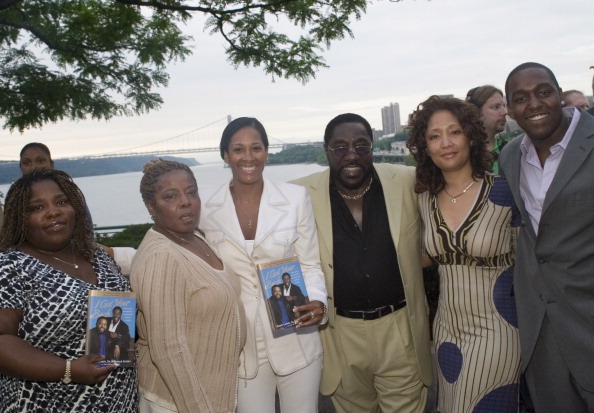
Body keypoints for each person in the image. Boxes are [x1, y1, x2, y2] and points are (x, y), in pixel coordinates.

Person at [292, 113, 432, 413]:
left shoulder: (407, 182)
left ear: (372, 147)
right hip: (339, 333)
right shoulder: (298, 194)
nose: (351, 155)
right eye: (340, 147)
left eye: (361, 146)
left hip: (400, 329)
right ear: (327, 149)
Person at [199, 117, 327, 413]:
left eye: (256, 148)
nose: (248, 157)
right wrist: (121, 256)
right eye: (238, 149)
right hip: (240, 343)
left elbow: (310, 265)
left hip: (294, 334)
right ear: (225, 156)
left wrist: (318, 301)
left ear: (266, 152)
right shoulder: (205, 204)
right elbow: (179, 252)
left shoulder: (295, 198)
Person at [407, 96, 521, 412]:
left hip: (498, 330)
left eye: (454, 132)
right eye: (434, 136)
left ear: (470, 135)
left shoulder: (503, 191)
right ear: (425, 146)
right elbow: (423, 256)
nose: (446, 143)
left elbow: (533, 262)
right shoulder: (424, 201)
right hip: (445, 332)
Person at [0, 168, 137, 412]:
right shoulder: (11, 266)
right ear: (20, 219)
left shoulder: (98, 256)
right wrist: (68, 370)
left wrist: (127, 343)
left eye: (61, 201)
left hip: (120, 402)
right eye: (36, 207)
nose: (53, 211)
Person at [499, 62, 594, 413]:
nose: (534, 104)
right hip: (540, 332)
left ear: (558, 93)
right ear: (510, 109)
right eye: (521, 98)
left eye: (543, 92)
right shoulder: (510, 157)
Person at [131, 158, 245, 413]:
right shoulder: (161, 257)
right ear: (151, 206)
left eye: (191, 192)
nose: (186, 201)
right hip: (177, 403)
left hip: (211, 394)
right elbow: (169, 350)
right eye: (171, 196)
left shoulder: (196, 238)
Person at [18, 142, 136, 275]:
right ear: (21, 167)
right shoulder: (17, 204)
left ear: (51, 163)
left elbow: (86, 236)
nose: (34, 167)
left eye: (40, 161)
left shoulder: (72, 196)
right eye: (27, 163)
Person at [466, 85, 509, 173]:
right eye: (496, 107)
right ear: (476, 112)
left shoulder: (510, 150)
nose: (505, 112)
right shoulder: (464, 154)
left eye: (504, 106)